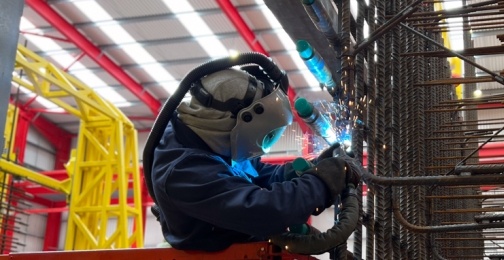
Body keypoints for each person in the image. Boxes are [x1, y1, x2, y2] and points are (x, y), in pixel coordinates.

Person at [150, 68, 360, 251]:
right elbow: (267, 211)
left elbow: (255, 173)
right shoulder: (184, 172)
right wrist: (321, 182)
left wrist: (306, 171)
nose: (262, 150)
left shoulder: (208, 137)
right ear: (240, 121)